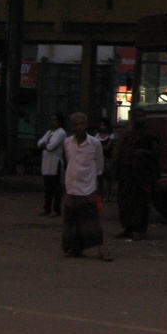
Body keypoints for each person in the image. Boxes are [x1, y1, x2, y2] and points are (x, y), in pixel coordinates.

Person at [61, 111, 112, 261]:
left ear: (87, 125)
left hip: (87, 187)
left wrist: (95, 185)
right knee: (72, 220)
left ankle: (101, 250)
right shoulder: (67, 142)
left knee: (92, 220)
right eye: (76, 124)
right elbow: (69, 161)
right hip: (71, 186)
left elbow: (99, 166)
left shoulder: (94, 143)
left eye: (82, 124)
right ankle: (75, 248)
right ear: (72, 126)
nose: (79, 127)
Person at [114, 107, 162, 241]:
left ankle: (141, 230)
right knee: (126, 202)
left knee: (141, 203)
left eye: (142, 116)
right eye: (137, 116)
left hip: (142, 174)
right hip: (127, 173)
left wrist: (142, 153)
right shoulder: (127, 134)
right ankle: (128, 228)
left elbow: (156, 152)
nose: (140, 119)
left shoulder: (149, 134)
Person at [36, 113, 67, 217]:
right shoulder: (49, 132)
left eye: (54, 120)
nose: (52, 122)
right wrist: (45, 145)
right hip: (46, 162)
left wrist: (45, 145)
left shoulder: (61, 133)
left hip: (55, 162)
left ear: (59, 122)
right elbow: (40, 143)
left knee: (56, 186)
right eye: (51, 120)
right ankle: (47, 207)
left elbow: (51, 146)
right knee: (47, 187)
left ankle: (56, 209)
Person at [95, 118, 117, 200]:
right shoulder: (97, 135)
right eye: (101, 125)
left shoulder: (111, 135)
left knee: (108, 178)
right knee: (99, 178)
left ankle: (107, 195)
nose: (102, 127)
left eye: (104, 125)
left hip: (107, 158)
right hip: (99, 158)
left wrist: (99, 147)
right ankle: (100, 195)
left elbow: (107, 147)